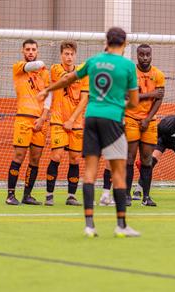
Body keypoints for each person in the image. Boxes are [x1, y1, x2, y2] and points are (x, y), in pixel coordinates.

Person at [38, 27, 140, 237]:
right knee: (119, 173)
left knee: (89, 172)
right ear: (125, 43)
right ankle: (121, 226)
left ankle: (89, 225)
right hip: (112, 119)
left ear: (106, 41)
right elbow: (135, 103)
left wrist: (47, 90)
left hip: (91, 118)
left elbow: (68, 79)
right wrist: (120, 102)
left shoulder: (93, 61)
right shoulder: (128, 66)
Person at [5, 39, 50, 206]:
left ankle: (27, 195)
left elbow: (49, 95)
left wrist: (44, 117)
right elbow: (34, 65)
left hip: (40, 121)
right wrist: (42, 63)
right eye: (28, 49)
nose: (31, 52)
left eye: (33, 49)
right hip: (23, 118)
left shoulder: (44, 74)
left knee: (35, 159)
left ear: (37, 50)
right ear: (23, 51)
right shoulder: (18, 67)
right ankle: (10, 195)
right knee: (19, 156)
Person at [45, 40, 89, 206]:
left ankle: (71, 196)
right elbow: (67, 79)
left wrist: (72, 120)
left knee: (75, 159)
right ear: (61, 55)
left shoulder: (83, 75)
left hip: (75, 122)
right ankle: (49, 194)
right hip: (57, 120)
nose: (69, 57)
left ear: (75, 55)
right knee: (56, 155)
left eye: (71, 54)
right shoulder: (56, 69)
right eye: (66, 54)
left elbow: (84, 99)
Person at [125, 44, 165, 207]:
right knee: (129, 158)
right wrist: (150, 94)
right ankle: (126, 196)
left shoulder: (158, 74)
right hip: (131, 119)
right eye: (141, 55)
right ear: (137, 55)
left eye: (147, 55)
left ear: (151, 55)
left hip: (149, 122)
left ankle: (146, 197)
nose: (145, 58)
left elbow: (160, 98)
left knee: (147, 160)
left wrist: (148, 119)